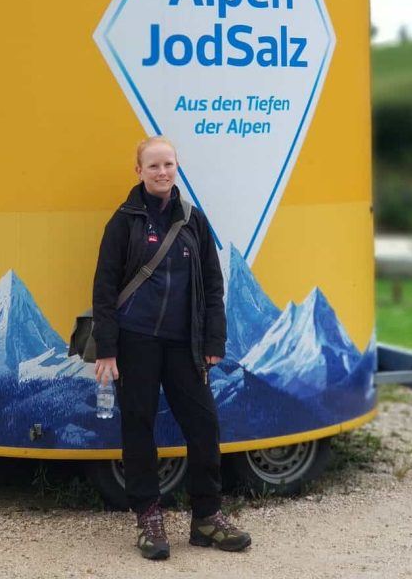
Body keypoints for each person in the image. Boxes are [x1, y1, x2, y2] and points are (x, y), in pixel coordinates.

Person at [92, 136, 251, 560]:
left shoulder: (193, 221)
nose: (162, 173)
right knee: (138, 428)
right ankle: (148, 517)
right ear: (139, 171)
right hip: (136, 342)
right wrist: (106, 349)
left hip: (185, 344)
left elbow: (213, 286)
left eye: (169, 165)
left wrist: (214, 340)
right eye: (154, 166)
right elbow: (104, 289)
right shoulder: (123, 222)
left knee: (203, 426)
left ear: (176, 168)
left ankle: (207, 518)